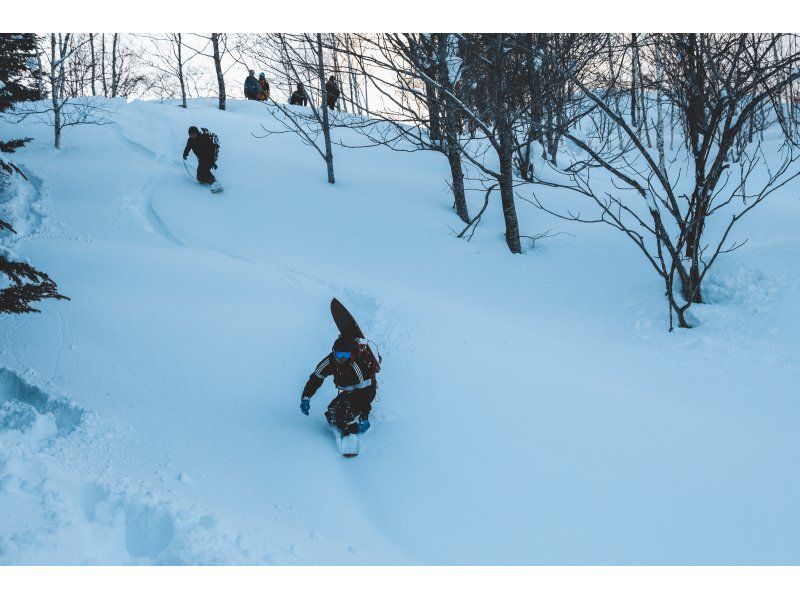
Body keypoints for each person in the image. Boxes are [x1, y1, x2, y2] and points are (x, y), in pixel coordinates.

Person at [300, 336, 376, 437]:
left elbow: (366, 393)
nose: (343, 358)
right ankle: (345, 418)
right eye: (340, 354)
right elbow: (315, 380)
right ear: (334, 352)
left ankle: (351, 430)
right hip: (350, 391)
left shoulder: (357, 366)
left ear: (350, 354)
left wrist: (364, 416)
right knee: (331, 412)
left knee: (343, 414)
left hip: (366, 390)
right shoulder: (328, 363)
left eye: (346, 355)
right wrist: (306, 397)